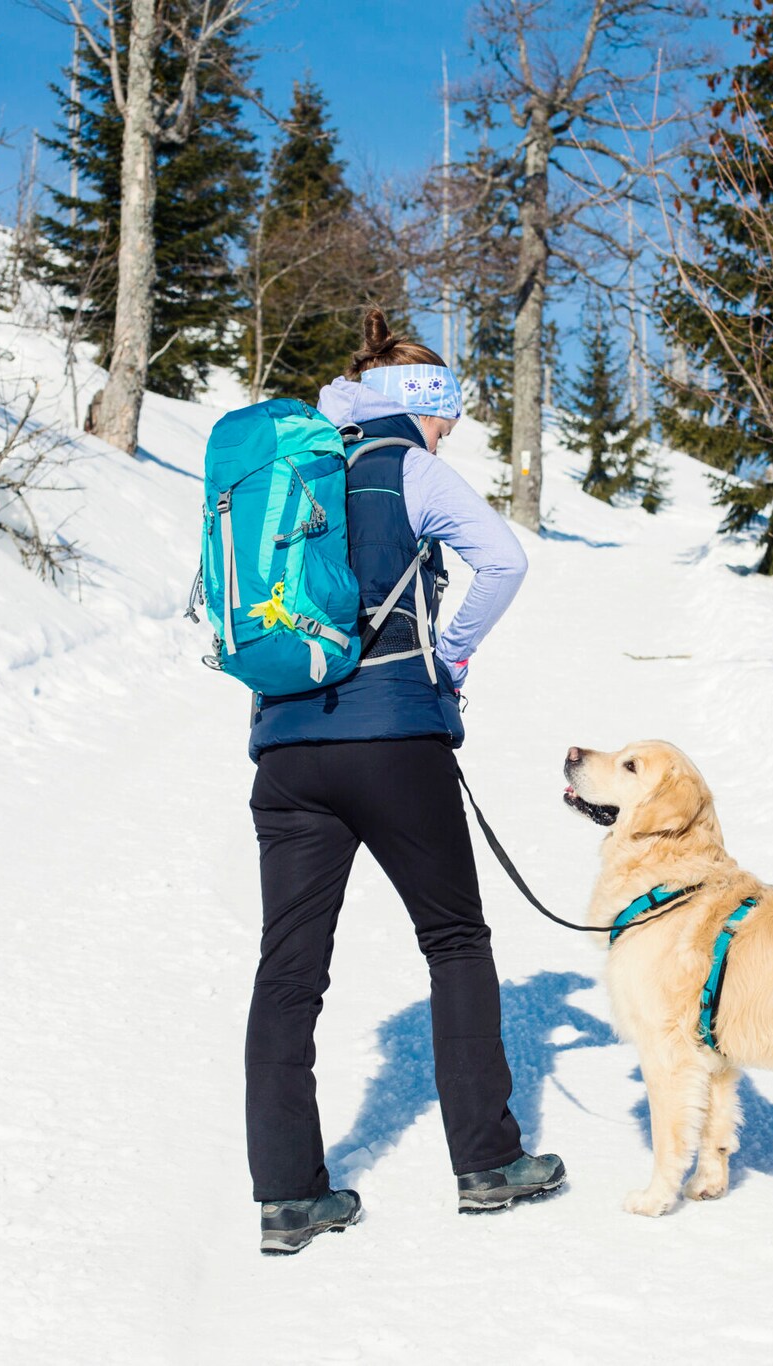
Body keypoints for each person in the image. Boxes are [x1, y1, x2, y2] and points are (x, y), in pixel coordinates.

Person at [245, 308, 564, 1255]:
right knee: (456, 938)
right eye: (448, 413)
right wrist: (450, 657)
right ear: (416, 406)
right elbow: (502, 562)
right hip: (394, 740)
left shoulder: (284, 471)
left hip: (286, 748)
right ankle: (486, 1164)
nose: (452, 430)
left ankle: (288, 1195)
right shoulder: (409, 470)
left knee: (288, 971)